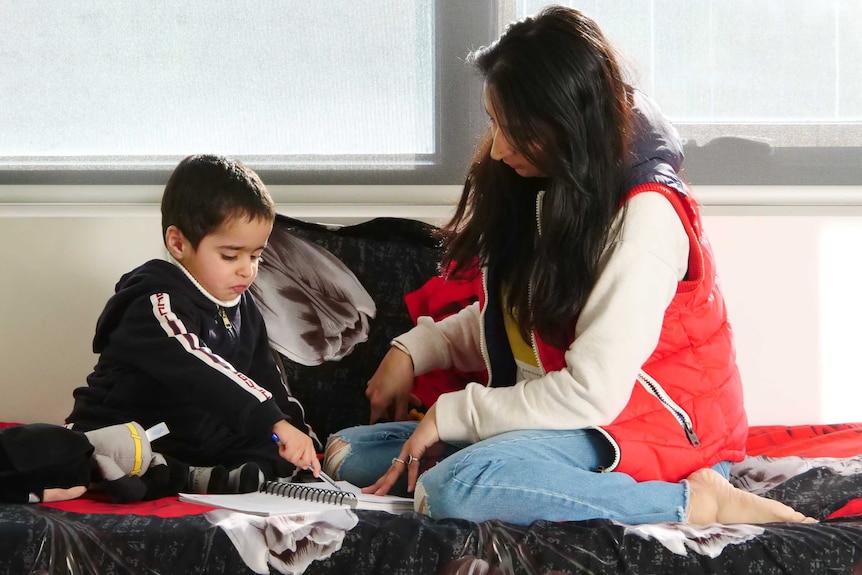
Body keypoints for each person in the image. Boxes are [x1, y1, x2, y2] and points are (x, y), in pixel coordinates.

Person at [322, 7, 814, 526]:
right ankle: (511, 471)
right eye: (495, 124)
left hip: (647, 426)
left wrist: (455, 413)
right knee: (348, 455)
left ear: (569, 121)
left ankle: (697, 502)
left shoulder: (643, 216)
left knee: (454, 489)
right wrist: (417, 350)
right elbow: (519, 319)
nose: (498, 150)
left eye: (517, 130)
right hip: (571, 416)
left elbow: (591, 392)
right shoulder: (551, 184)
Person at [66, 154, 321, 492]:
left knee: (270, 451)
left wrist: (297, 431)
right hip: (137, 429)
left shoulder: (242, 303)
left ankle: (203, 475)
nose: (247, 269)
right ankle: (173, 475)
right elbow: (199, 367)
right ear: (178, 243)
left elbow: (266, 375)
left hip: (193, 436)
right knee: (124, 453)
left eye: (256, 256)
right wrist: (269, 417)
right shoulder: (155, 303)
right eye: (231, 256)